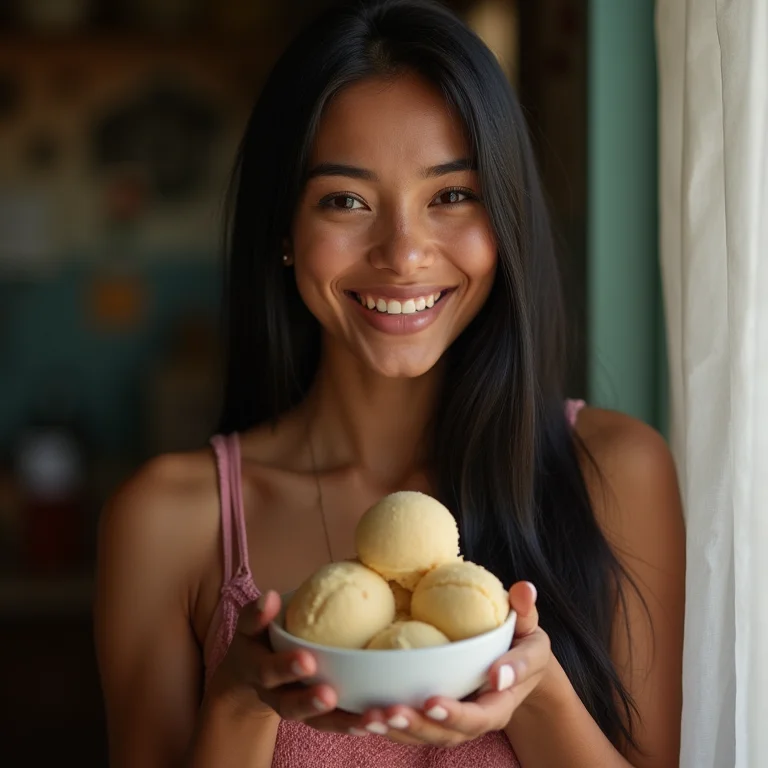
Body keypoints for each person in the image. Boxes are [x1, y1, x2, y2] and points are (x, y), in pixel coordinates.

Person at [94, 1, 685, 766]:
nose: (403, 254)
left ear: (503, 216)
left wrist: (535, 691)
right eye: (346, 200)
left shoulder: (616, 472)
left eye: (451, 195)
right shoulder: (169, 522)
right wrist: (243, 698)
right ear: (284, 229)